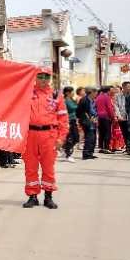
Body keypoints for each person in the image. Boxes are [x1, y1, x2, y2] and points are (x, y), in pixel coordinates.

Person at [21, 68, 68, 209]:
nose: (43, 80)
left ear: (50, 79)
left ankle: (48, 197)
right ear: (35, 78)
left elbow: (63, 118)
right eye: (40, 77)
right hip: (29, 135)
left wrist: (61, 138)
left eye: (46, 77)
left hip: (49, 136)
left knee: (48, 167)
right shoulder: (26, 93)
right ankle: (32, 196)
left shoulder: (55, 95)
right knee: (30, 167)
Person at [76, 87, 99, 160]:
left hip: (93, 120)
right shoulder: (84, 100)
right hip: (86, 121)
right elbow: (79, 111)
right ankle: (86, 154)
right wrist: (87, 117)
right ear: (91, 92)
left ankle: (90, 153)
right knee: (89, 137)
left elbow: (94, 110)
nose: (96, 94)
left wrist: (95, 117)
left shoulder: (92, 100)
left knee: (93, 137)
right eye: (95, 93)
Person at [62, 87, 80, 163]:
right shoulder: (66, 101)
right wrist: (78, 103)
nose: (73, 93)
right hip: (68, 121)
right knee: (70, 138)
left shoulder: (72, 100)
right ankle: (68, 154)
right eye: (72, 92)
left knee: (76, 138)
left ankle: (64, 147)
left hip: (73, 120)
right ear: (67, 93)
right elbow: (73, 107)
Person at [95, 86, 114, 154]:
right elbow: (109, 108)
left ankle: (101, 147)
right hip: (106, 116)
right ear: (108, 91)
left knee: (101, 132)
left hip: (99, 117)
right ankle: (106, 148)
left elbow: (95, 106)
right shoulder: (107, 97)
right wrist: (112, 116)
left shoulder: (98, 97)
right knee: (107, 132)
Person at [112, 85, 129, 153]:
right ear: (123, 87)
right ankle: (128, 147)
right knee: (124, 133)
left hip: (129, 117)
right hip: (121, 117)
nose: (129, 88)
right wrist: (119, 116)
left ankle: (129, 147)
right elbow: (116, 106)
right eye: (127, 87)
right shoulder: (117, 96)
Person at [123, 81, 130, 155]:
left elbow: (126, 107)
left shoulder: (129, 96)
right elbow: (126, 107)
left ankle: (129, 149)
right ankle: (129, 149)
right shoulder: (128, 96)